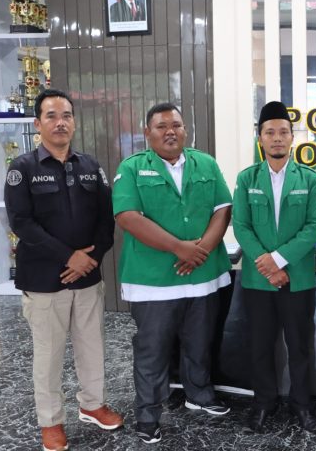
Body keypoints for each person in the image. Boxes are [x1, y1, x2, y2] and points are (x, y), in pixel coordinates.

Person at [5, 89, 123, 451]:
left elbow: (106, 219)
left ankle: (92, 405)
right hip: (44, 281)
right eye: (52, 116)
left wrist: (91, 257)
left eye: (67, 115)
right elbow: (21, 223)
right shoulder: (22, 169)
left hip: (87, 277)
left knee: (92, 347)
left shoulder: (90, 166)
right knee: (49, 355)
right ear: (38, 123)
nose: (60, 122)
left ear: (74, 122)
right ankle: (51, 421)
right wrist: (68, 257)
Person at [113, 102, 233, 444]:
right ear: (147, 133)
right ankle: (148, 414)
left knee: (200, 342)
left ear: (185, 130)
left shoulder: (206, 163)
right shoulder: (133, 168)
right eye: (162, 126)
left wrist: (200, 250)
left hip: (203, 275)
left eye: (176, 125)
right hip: (154, 280)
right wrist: (180, 248)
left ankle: (199, 394)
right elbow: (127, 216)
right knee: (152, 350)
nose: (170, 131)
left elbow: (223, 209)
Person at [232, 101, 316, 434]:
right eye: (269, 132)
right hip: (259, 281)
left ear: (291, 137)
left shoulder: (309, 179)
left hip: (298, 278)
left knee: (299, 346)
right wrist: (268, 265)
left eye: (283, 132)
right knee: (260, 346)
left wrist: (279, 260)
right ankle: (263, 403)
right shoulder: (247, 179)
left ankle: (302, 405)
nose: (276, 138)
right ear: (260, 138)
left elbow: (314, 226)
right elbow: (241, 225)